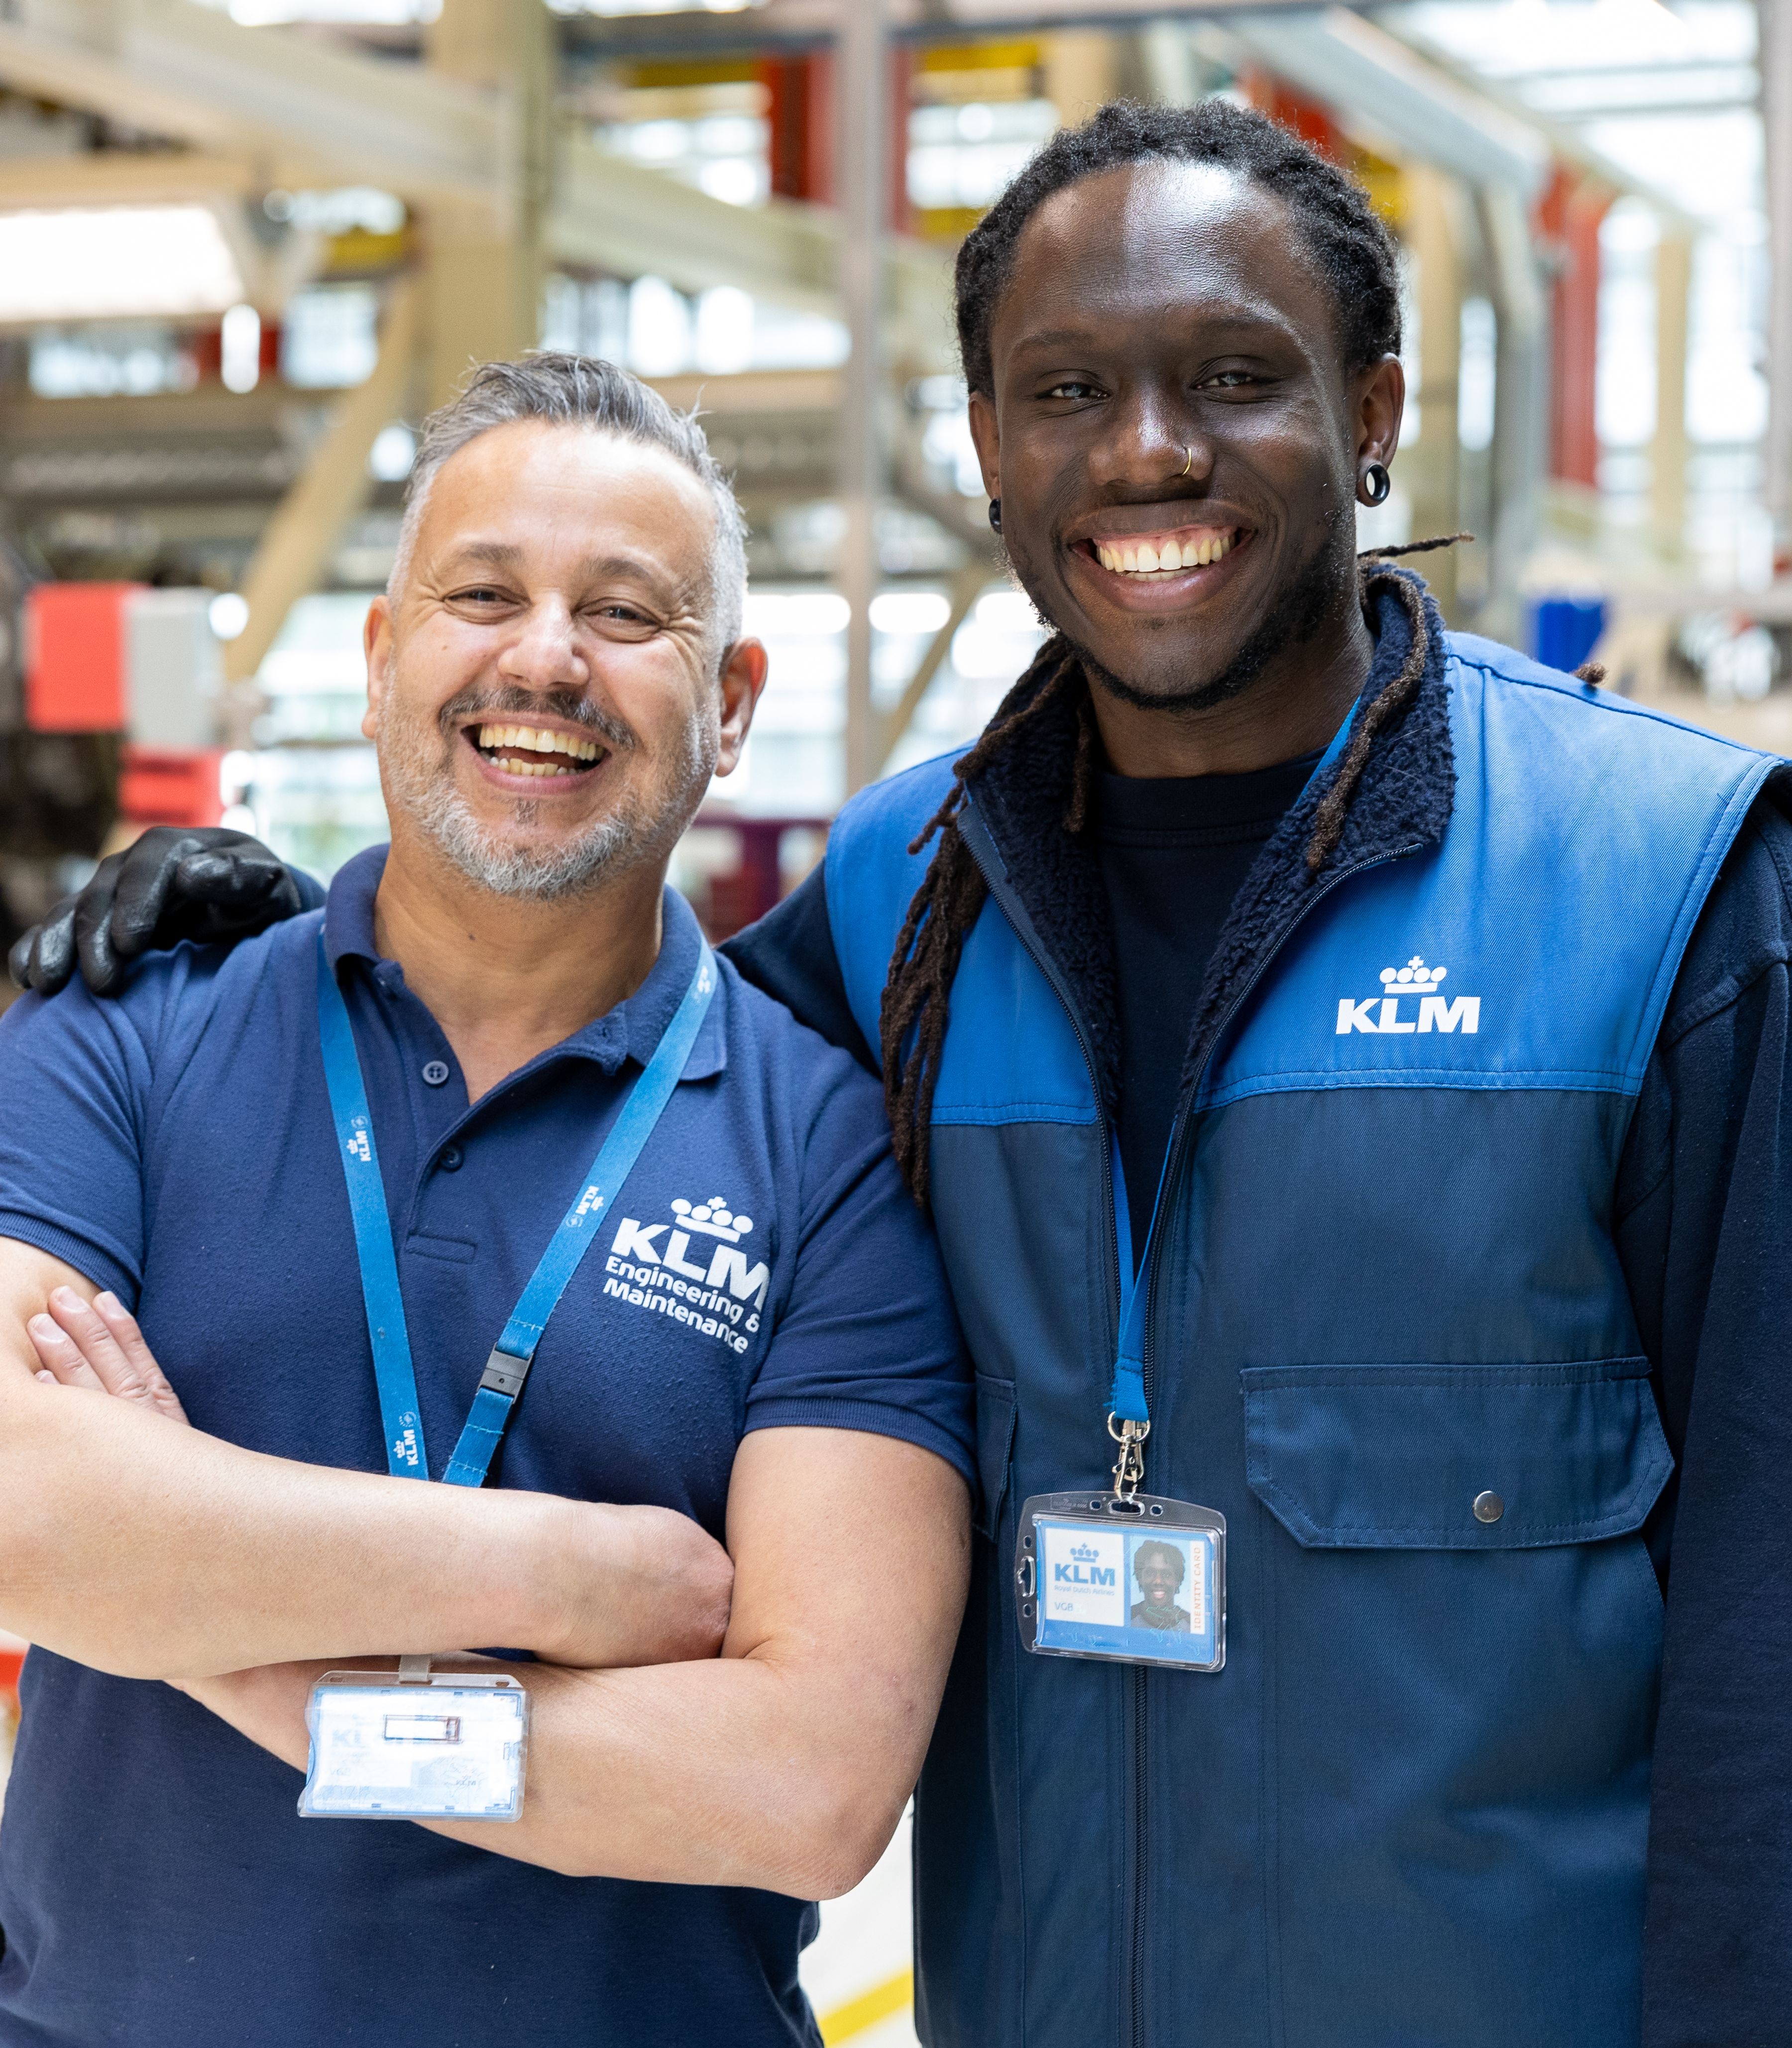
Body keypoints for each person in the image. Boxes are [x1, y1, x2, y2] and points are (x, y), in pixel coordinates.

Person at [21, 100, 1792, 2048]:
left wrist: (239, 1633)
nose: (1147, 449)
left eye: (1232, 377)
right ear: (990, 453)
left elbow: (1766, 1638)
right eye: (1066, 388)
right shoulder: (910, 897)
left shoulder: (1667, 892)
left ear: (1372, 413)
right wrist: (256, 914)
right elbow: (552, 962)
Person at [0, 354, 974, 2046]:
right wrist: (564, 1579)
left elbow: (806, 1781)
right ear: (384, 658)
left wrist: (188, 1604)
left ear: (731, 699)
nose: (545, 658)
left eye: (625, 612)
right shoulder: (128, 1029)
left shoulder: (834, 1150)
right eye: (483, 593)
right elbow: (18, 1507)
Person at [1128, 1540, 1190, 1632]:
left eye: (1166, 1574)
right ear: (1140, 1578)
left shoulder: (1192, 1625)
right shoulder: (1125, 1619)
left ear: (1177, 1580)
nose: (1158, 1581)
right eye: (1150, 1573)